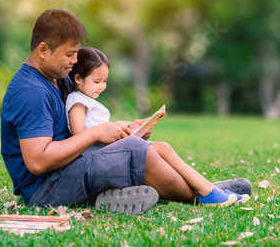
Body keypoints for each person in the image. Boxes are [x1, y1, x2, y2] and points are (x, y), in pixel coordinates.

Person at [0, 9, 252, 215]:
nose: (75, 61)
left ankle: (204, 188)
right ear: (43, 50)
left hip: (68, 168)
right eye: (69, 54)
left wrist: (126, 128)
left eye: (76, 53)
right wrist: (98, 133)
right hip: (45, 190)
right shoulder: (30, 91)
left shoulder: (59, 77)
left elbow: (84, 124)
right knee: (134, 150)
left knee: (140, 144)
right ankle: (200, 194)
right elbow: (37, 161)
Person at [65, 47, 251, 207]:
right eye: (97, 82)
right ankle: (208, 192)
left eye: (105, 81)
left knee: (163, 147)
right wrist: (105, 133)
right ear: (79, 79)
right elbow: (79, 134)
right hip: (95, 160)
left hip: (105, 153)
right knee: (161, 148)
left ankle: (209, 189)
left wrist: (130, 127)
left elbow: (100, 126)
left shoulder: (88, 99)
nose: (102, 86)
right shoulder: (77, 101)